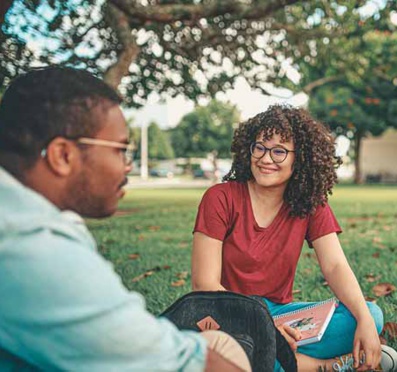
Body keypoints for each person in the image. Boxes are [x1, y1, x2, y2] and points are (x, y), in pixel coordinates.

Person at [0, 67, 250, 372]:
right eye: (120, 150)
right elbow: (189, 364)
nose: (128, 166)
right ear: (63, 155)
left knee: (219, 343)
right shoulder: (33, 247)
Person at [191, 105, 397, 371]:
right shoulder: (220, 198)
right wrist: (265, 328)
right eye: (260, 147)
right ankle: (324, 367)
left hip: (280, 316)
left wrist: (365, 323)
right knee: (228, 349)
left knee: (370, 313)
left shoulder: (310, 204)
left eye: (279, 151)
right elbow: (204, 284)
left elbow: (335, 265)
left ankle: (273, 359)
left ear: (299, 158)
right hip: (227, 315)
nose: (266, 158)